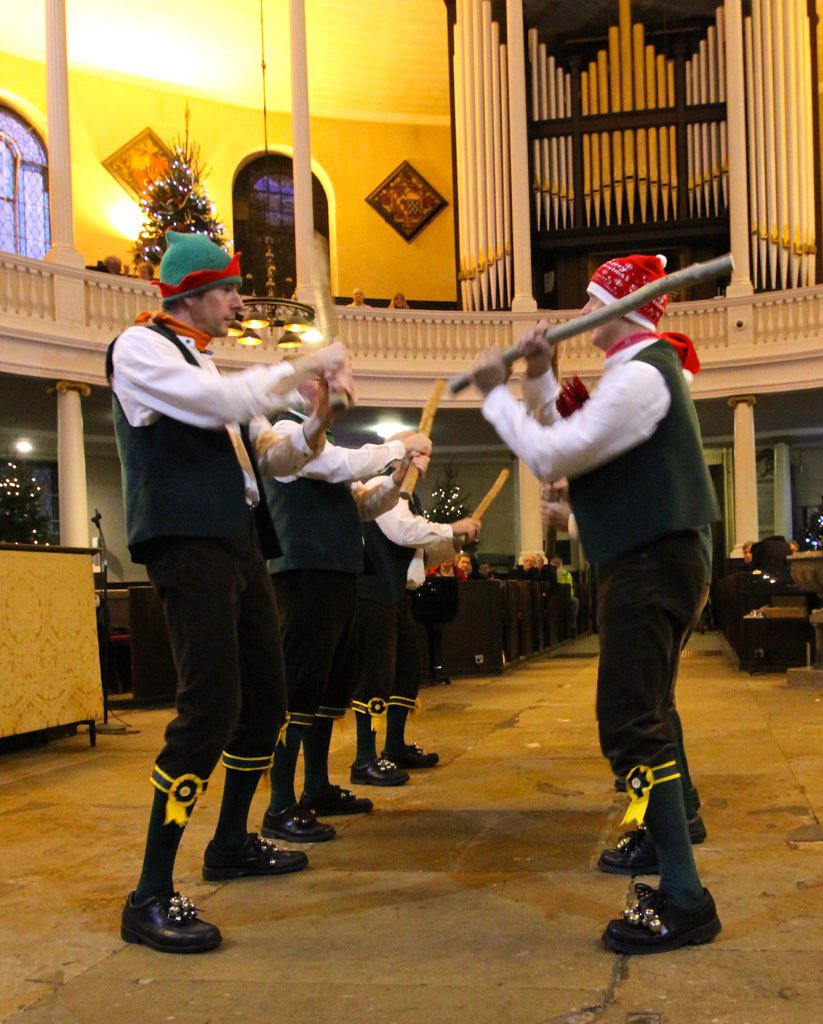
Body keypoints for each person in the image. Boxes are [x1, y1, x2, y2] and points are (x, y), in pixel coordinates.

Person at [468, 252, 721, 955]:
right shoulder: (634, 371)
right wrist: (539, 375)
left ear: (622, 309)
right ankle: (672, 849)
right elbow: (575, 441)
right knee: (646, 715)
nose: (580, 316)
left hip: (651, 565)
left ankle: (686, 897)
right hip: (645, 560)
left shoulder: (642, 375)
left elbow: (555, 455)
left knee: (630, 724)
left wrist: (495, 396)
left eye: (590, 303)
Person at [108, 230, 350, 954]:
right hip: (186, 539)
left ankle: (231, 843)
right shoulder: (141, 348)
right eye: (229, 291)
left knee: (265, 701)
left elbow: (277, 458)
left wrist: (319, 416)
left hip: (239, 541)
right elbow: (212, 401)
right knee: (209, 707)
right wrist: (299, 365)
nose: (240, 304)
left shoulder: (210, 363)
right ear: (192, 294)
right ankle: (150, 891)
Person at [254, 389, 432, 839]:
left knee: (328, 691)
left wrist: (397, 475)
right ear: (303, 390)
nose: (336, 387)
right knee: (299, 690)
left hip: (337, 575)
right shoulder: (285, 431)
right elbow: (339, 464)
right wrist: (397, 446)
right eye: (323, 380)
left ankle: (317, 787)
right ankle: (280, 803)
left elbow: (366, 504)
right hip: (303, 574)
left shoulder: (325, 446)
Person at [352, 467, 480, 773]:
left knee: (407, 670)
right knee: (376, 675)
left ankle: (395, 747)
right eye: (418, 457)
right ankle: (365, 758)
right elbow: (404, 532)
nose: (423, 465)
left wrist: (453, 541)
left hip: (396, 593)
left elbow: (416, 554)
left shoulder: (410, 497)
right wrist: (451, 527)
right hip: (374, 592)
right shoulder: (383, 486)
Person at [549, 554, 579, 635]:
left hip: (566, 596)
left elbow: (569, 587)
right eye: (554, 563)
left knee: (575, 601)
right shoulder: (548, 573)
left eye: (557, 563)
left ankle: (572, 626)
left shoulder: (566, 574)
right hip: (552, 596)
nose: (555, 565)